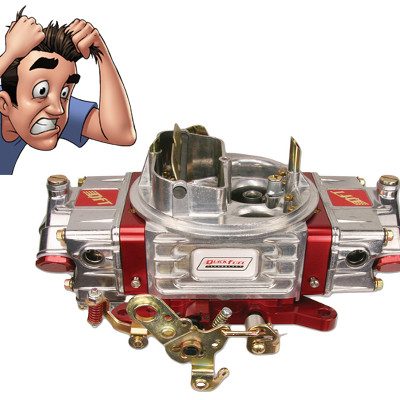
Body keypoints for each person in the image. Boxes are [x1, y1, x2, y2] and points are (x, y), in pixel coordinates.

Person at [0, 8, 136, 175]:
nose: (58, 109)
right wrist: (10, 53)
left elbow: (122, 134)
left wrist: (102, 54)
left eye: (64, 93)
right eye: (41, 91)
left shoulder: (55, 110)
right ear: (4, 104)